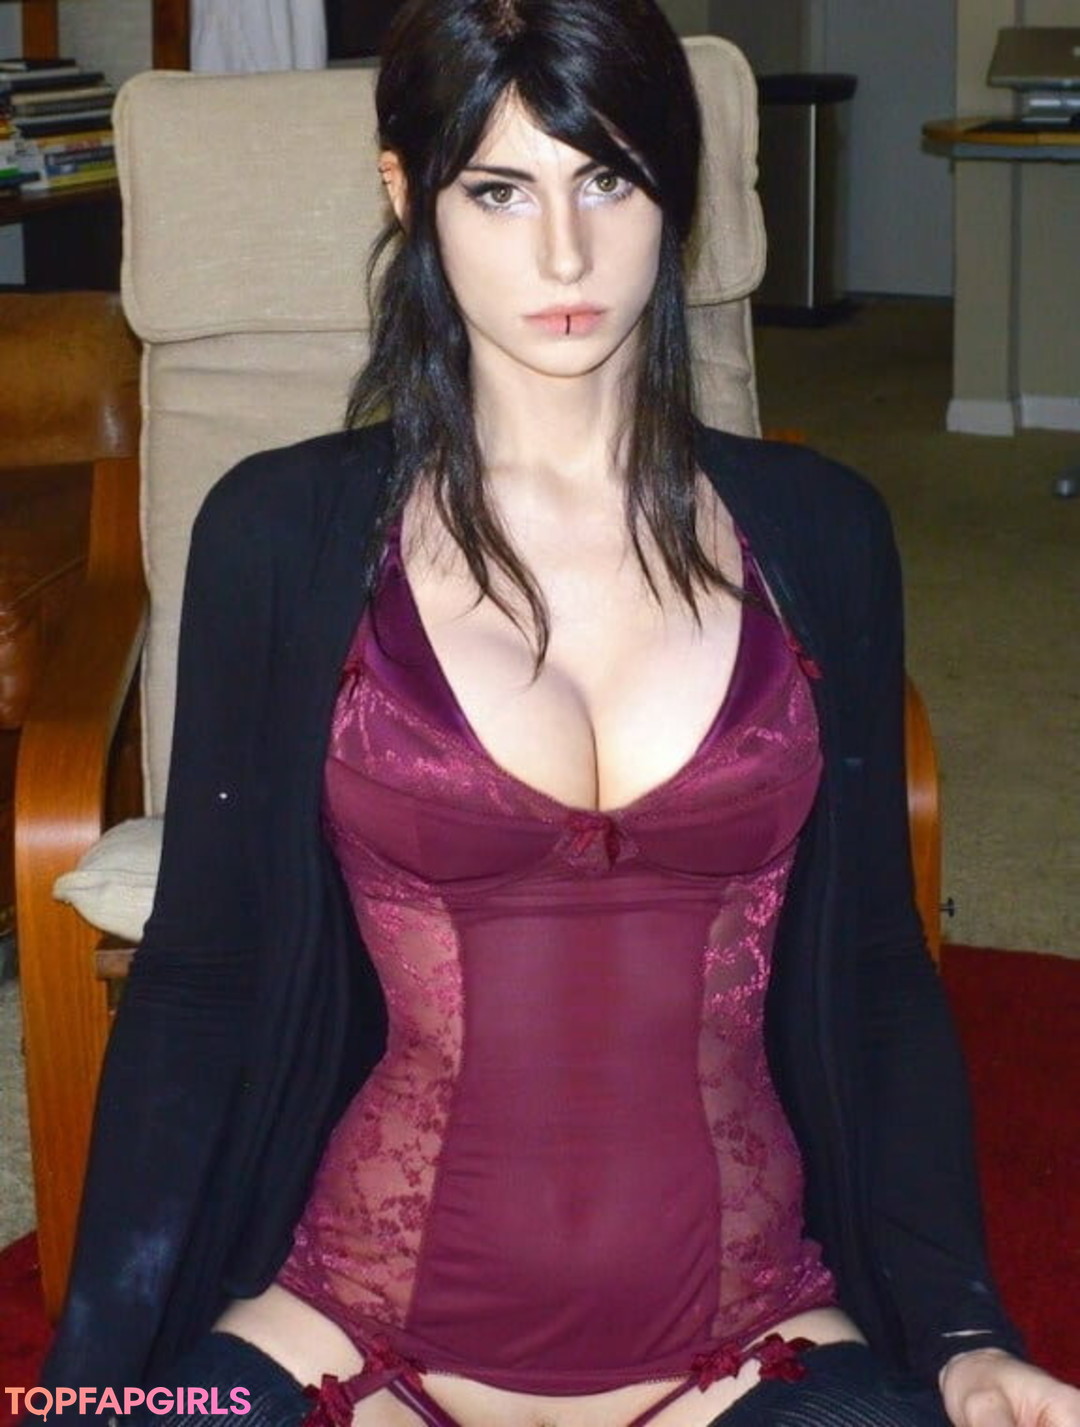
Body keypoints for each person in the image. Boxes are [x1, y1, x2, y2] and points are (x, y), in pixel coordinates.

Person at [38, 2, 1080, 1426]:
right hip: (352, 1333)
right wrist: (94, 1385)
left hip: (748, 1337)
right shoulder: (278, 534)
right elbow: (201, 980)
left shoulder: (823, 532)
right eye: (498, 191)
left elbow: (878, 971)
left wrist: (965, 1329)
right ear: (407, 194)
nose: (567, 255)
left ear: (675, 190)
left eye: (609, 179)